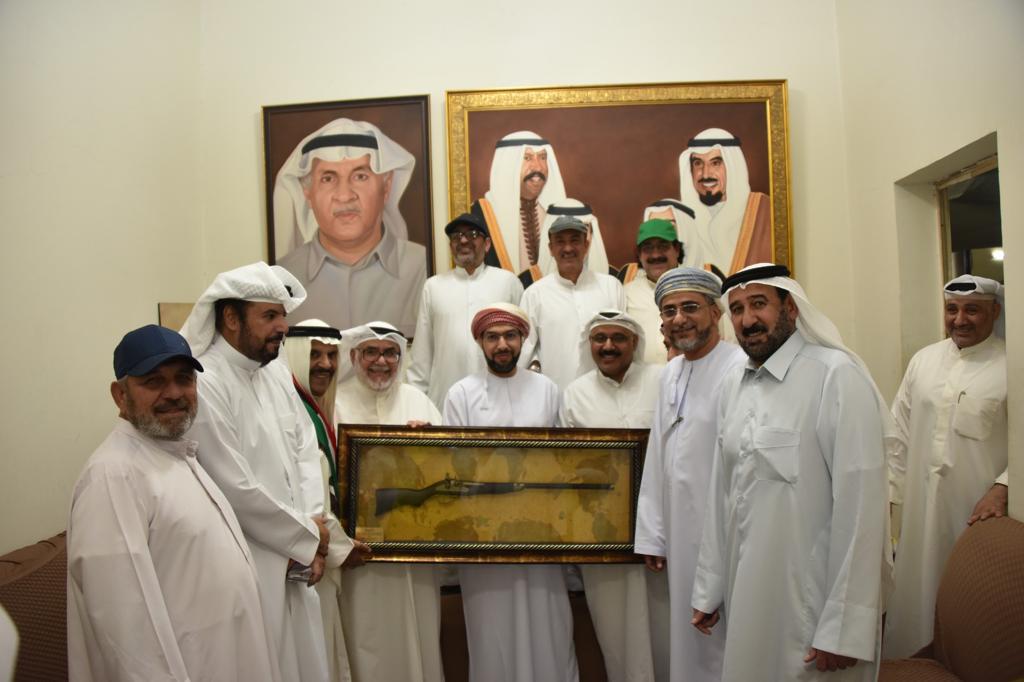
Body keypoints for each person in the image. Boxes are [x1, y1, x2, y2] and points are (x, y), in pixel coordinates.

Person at [691, 263, 891, 681]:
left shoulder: (835, 376)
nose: (748, 319)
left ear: (791, 308)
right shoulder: (733, 384)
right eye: (737, 309)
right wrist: (710, 587)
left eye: (759, 304)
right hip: (747, 594)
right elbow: (720, 495)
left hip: (811, 608)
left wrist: (844, 627)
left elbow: (863, 508)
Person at [67, 325, 279, 682]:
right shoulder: (113, 475)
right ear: (120, 395)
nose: (174, 393)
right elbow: (126, 633)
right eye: (154, 382)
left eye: (184, 379)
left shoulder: (176, 454)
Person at [181, 262, 353, 682]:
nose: (282, 327)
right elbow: (234, 486)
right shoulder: (207, 381)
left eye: (283, 315)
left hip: (300, 555)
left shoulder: (274, 370)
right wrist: (306, 538)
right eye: (270, 315)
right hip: (250, 559)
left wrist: (313, 529)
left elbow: (304, 449)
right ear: (231, 317)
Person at [442, 304, 576, 682]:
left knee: (549, 625)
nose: (502, 345)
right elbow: (453, 466)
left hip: (541, 532)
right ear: (480, 343)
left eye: (510, 336)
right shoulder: (461, 394)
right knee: (491, 631)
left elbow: (561, 460)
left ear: (522, 340)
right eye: (492, 337)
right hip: (484, 538)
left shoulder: (547, 390)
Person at [882, 274, 1008, 658]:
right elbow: (898, 434)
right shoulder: (923, 361)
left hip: (978, 513)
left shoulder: (1012, 364)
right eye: (952, 309)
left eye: (972, 310)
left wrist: (1004, 487)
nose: (960, 320)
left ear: (995, 312)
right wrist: (888, 499)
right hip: (920, 512)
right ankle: (913, 666)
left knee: (974, 603)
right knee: (917, 594)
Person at [633, 268, 745, 681]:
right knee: (687, 634)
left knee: (728, 635)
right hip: (680, 532)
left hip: (727, 528)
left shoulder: (739, 367)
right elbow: (658, 455)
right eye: (670, 311)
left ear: (716, 313)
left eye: (690, 308)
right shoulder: (670, 373)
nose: (679, 318)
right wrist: (653, 533)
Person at [334, 322, 445, 682]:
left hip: (414, 553)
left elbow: (446, 471)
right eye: (371, 351)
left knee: (419, 632)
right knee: (366, 636)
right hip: (359, 554)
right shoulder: (335, 402)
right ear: (354, 356)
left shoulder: (419, 402)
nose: (381, 361)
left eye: (390, 353)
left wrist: (427, 445)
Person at [559, 310, 665, 682]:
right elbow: (568, 470)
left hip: (663, 533)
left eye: (618, 338)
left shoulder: (662, 380)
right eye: (599, 338)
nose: (608, 346)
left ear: (635, 342)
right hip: (603, 536)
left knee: (666, 632)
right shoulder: (574, 394)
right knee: (618, 637)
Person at [276, 118, 426, 337]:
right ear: (307, 191)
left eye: (360, 176)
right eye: (328, 178)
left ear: (386, 186)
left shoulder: (423, 268)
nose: (345, 195)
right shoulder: (281, 278)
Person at [283, 320, 373, 682]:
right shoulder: (293, 411)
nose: (325, 365)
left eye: (332, 356)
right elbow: (306, 497)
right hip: (306, 560)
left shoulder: (314, 410)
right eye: (315, 355)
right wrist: (339, 548)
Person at [407, 213, 523, 408]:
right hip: (444, 399)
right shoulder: (433, 287)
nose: (463, 240)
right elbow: (422, 354)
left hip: (500, 398)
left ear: (487, 244)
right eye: (456, 236)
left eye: (472, 234)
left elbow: (523, 344)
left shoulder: (508, 282)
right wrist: (416, 404)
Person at [519, 215, 625, 390]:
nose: (568, 248)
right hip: (556, 394)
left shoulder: (611, 287)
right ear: (551, 248)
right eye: (560, 242)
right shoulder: (534, 294)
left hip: (606, 394)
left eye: (575, 240)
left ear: (586, 245)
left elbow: (625, 342)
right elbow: (526, 351)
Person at [470, 130, 570, 280]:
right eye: (527, 158)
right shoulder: (482, 216)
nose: (538, 167)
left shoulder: (554, 215)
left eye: (543, 157)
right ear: (508, 165)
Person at [678, 128, 771, 275]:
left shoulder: (763, 211)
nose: (705, 174)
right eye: (698, 163)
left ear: (732, 166)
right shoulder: (680, 221)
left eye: (715, 163)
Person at [619, 218, 684, 366]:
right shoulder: (626, 294)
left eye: (663, 246)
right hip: (642, 379)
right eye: (648, 248)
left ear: (676, 249)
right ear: (639, 254)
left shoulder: (697, 288)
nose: (655, 255)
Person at [530, 198, 611, 286]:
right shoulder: (529, 281)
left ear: (592, 234)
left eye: (583, 229)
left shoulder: (611, 281)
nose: (568, 248)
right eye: (560, 238)